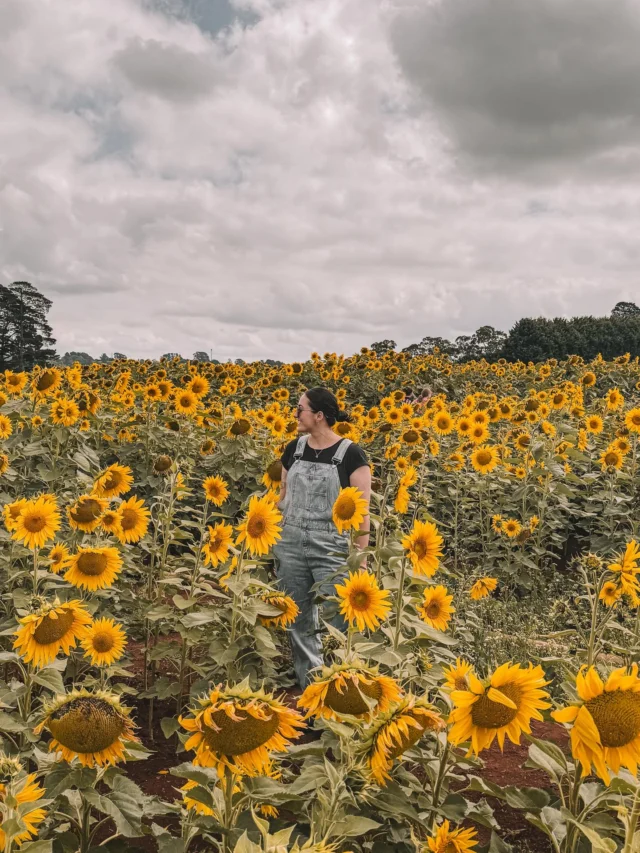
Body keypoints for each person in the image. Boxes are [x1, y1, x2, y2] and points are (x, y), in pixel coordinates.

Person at [273, 387, 371, 686]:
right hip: (289, 543)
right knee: (297, 618)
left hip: (332, 547)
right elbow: (283, 494)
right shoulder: (294, 448)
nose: (295, 413)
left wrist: (360, 560)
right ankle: (311, 689)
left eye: (299, 408)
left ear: (318, 415)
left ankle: (341, 690)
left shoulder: (351, 455)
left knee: (338, 622)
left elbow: (362, 513)